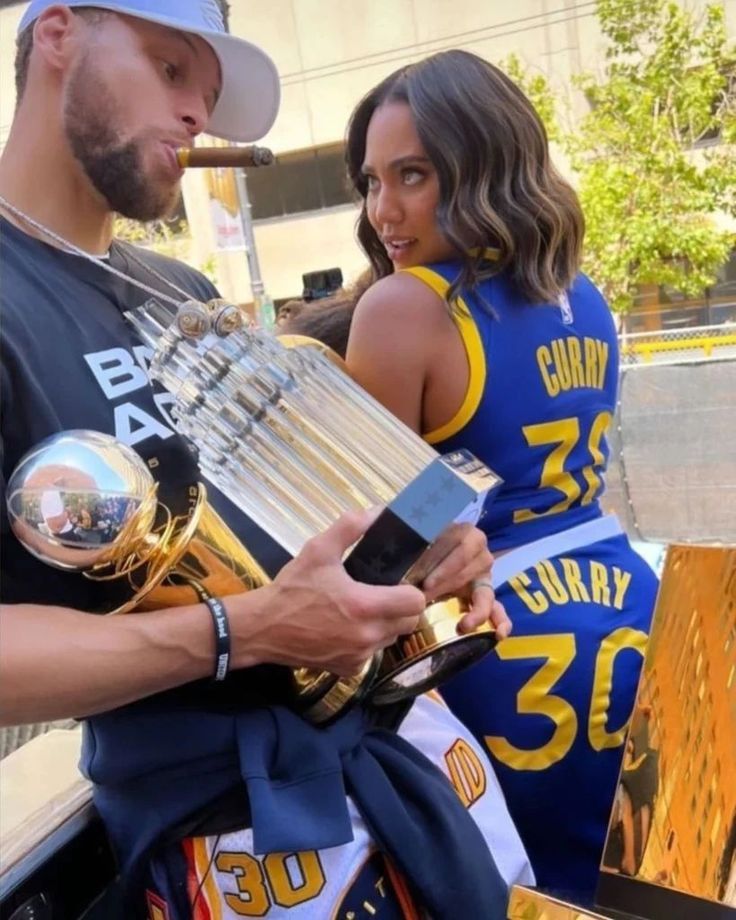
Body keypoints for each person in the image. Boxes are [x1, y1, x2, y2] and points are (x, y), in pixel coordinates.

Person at [0, 5, 532, 917]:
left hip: (378, 782)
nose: (194, 116)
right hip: (219, 837)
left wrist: (415, 567)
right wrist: (249, 631)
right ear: (57, 35)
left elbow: (288, 532)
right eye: (170, 71)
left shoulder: (181, 291)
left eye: (204, 97)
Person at [341, 49, 660, 903]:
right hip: (629, 606)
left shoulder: (403, 307)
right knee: (648, 886)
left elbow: (371, 541)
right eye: (372, 181)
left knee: (524, 895)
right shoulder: (582, 293)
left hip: (498, 640)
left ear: (485, 163)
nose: (384, 210)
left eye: (413, 175)